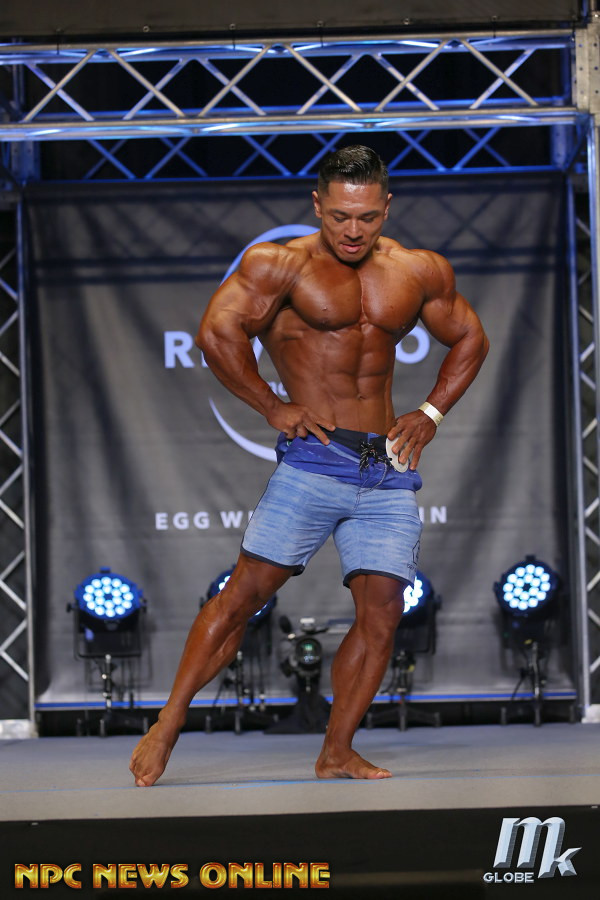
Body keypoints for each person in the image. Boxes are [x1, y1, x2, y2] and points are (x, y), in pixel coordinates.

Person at [130, 145, 489, 785]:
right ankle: (169, 720)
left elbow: (470, 337)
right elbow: (217, 334)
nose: (354, 231)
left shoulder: (416, 270)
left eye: (367, 217)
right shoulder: (279, 264)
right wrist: (272, 405)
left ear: (386, 207)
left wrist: (431, 412)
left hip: (386, 468)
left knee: (383, 614)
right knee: (243, 597)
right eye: (341, 216)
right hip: (314, 460)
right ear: (317, 204)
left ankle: (336, 750)